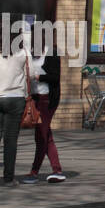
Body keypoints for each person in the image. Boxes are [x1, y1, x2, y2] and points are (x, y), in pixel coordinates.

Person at [0, 37, 30, 186]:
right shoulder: (23, 53)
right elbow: (33, 74)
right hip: (15, 99)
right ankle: (8, 178)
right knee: (11, 141)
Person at [22, 52, 64, 183]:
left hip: (47, 99)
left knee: (41, 135)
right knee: (46, 135)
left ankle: (34, 172)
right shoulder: (30, 53)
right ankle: (57, 170)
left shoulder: (52, 53)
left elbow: (55, 77)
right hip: (34, 99)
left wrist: (39, 77)